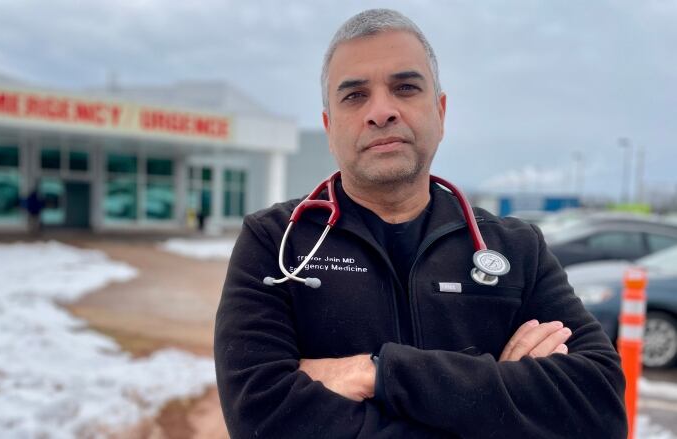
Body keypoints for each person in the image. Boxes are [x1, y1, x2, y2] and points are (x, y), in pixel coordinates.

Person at [214, 9, 626, 438]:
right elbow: (261, 417)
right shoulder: (275, 242)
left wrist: (378, 374)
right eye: (354, 96)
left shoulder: (517, 249)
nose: (382, 111)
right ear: (329, 127)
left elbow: (599, 407)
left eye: (405, 88)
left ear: (441, 111)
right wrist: (495, 404)